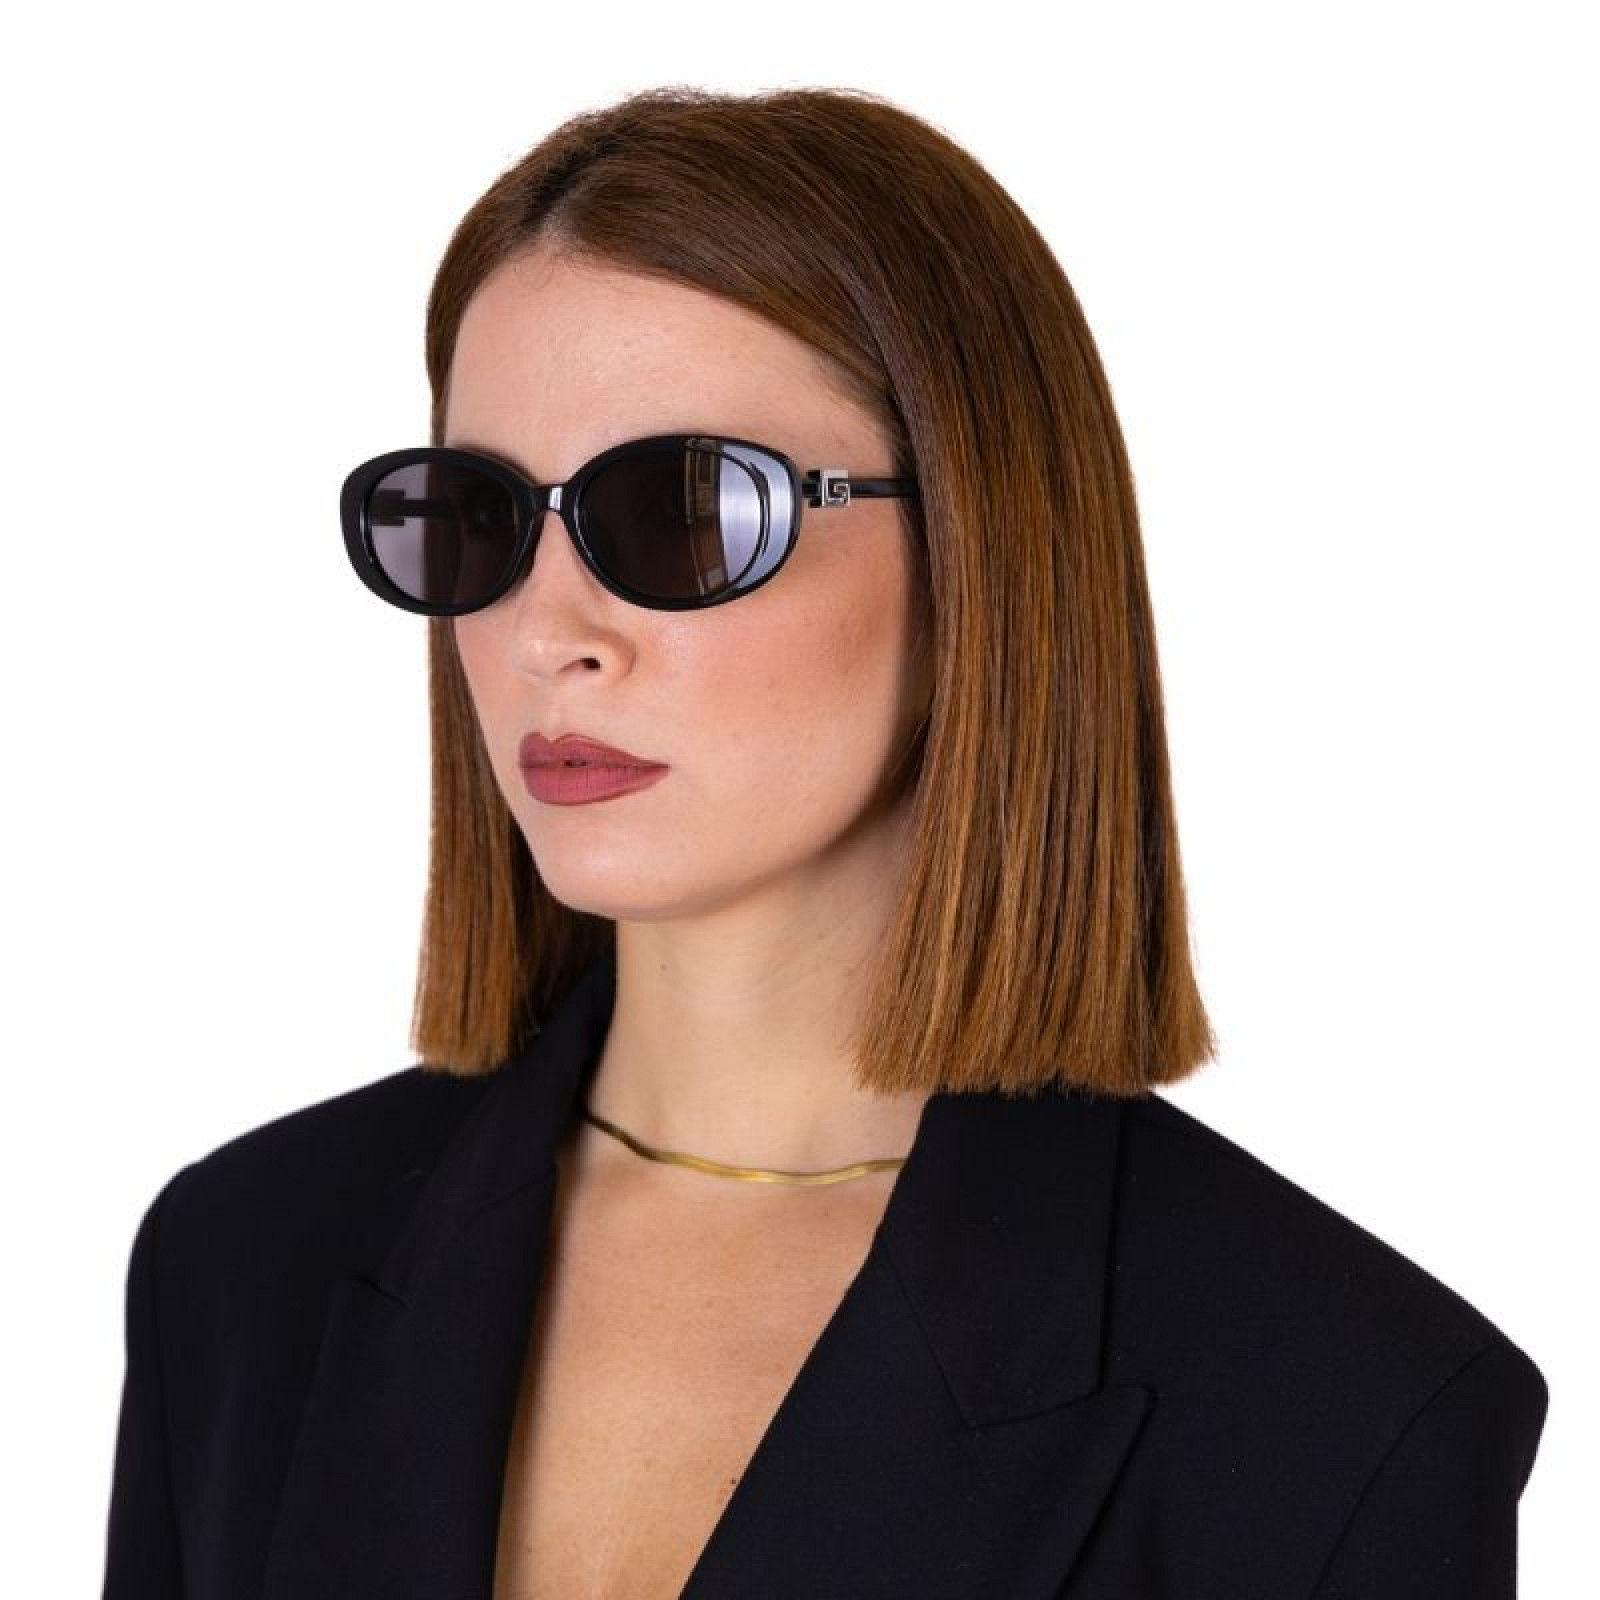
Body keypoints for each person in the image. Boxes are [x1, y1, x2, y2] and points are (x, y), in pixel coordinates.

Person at [101, 88, 1547, 1599]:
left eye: (684, 513)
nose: (543, 634)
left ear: (981, 549)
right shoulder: (241, 1267)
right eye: (481, 515)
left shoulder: (1351, 1414)